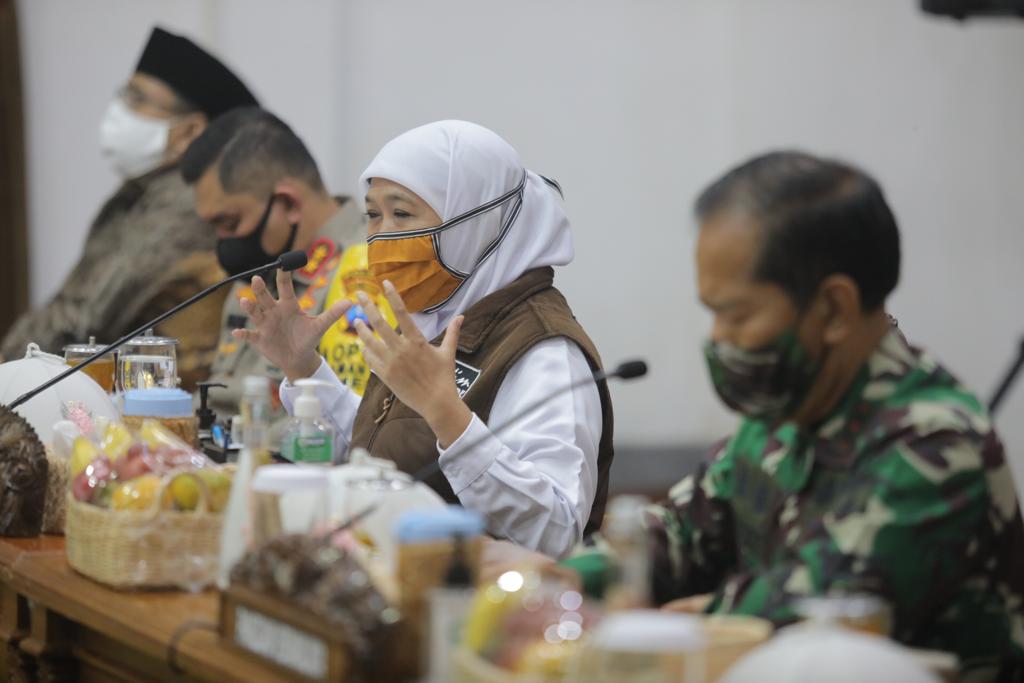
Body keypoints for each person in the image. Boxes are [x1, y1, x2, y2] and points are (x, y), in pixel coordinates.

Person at [647, 151, 1024, 678]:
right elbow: (681, 531)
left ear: (833, 309)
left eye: (737, 315)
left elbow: (822, 614)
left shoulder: (936, 442)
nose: (718, 339)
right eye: (713, 315)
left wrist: (708, 618)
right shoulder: (782, 414)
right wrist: (576, 579)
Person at [236, 120, 614, 558]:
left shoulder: (544, 349)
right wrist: (303, 368)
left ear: (475, 222)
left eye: (402, 213)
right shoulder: (432, 314)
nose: (381, 235)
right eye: (373, 215)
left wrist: (447, 416)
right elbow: (382, 458)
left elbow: (557, 529)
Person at [0, 27, 258, 390]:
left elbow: (85, 319)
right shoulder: (139, 193)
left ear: (189, 132)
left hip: (154, 411)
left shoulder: (186, 206)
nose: (119, 110)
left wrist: (9, 365)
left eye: (137, 99)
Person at [179, 107, 375, 426]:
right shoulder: (261, 268)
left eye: (230, 222)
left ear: (288, 204)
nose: (223, 241)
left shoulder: (362, 269)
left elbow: (346, 424)